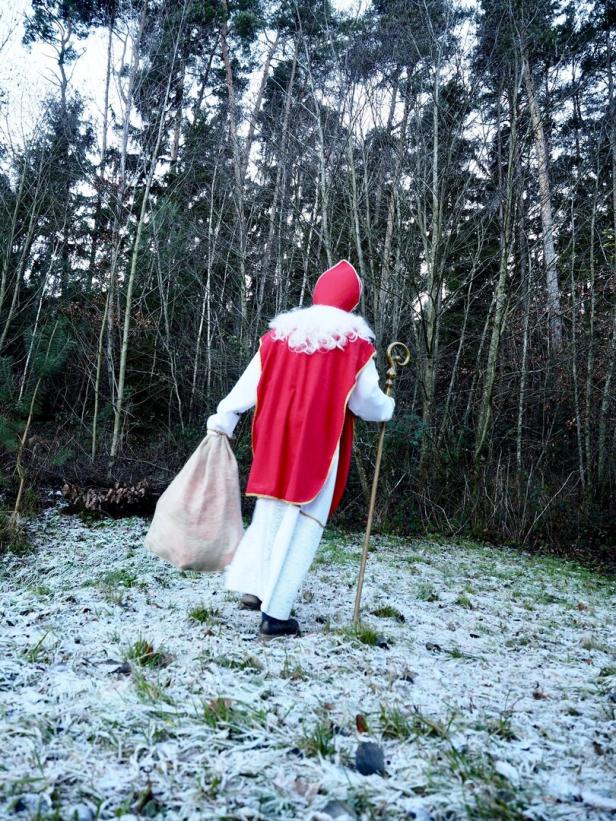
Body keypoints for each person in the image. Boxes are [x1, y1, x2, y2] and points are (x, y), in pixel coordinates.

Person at [206, 259, 395, 637]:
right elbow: (367, 404)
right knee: (301, 526)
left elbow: (249, 384)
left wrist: (225, 415)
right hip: (319, 446)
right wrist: (387, 405)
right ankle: (276, 615)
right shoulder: (354, 347)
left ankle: (254, 590)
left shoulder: (279, 337)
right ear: (352, 302)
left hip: (275, 440)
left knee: (270, 513)